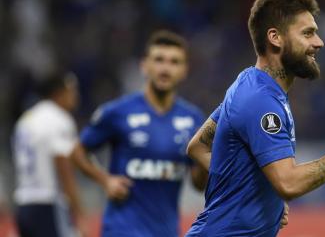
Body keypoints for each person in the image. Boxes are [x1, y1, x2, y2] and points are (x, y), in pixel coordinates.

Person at [185, 0, 325, 236]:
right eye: (307, 33)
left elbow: (197, 146)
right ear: (275, 37)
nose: (319, 42)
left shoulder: (248, 82)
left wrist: (258, 193)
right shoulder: (261, 100)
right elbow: (288, 183)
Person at [70, 30, 207, 237]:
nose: (165, 68)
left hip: (166, 231)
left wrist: (206, 158)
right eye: (159, 60)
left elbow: (197, 185)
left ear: (184, 70)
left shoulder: (194, 119)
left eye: (174, 62)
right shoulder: (118, 112)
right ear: (145, 66)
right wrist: (105, 180)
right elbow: (78, 152)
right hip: (122, 229)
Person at [12, 71, 86, 237]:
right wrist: (79, 212)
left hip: (23, 203)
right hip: (47, 203)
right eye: (72, 90)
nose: (76, 96)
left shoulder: (26, 119)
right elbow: (62, 164)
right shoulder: (58, 118)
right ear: (59, 92)